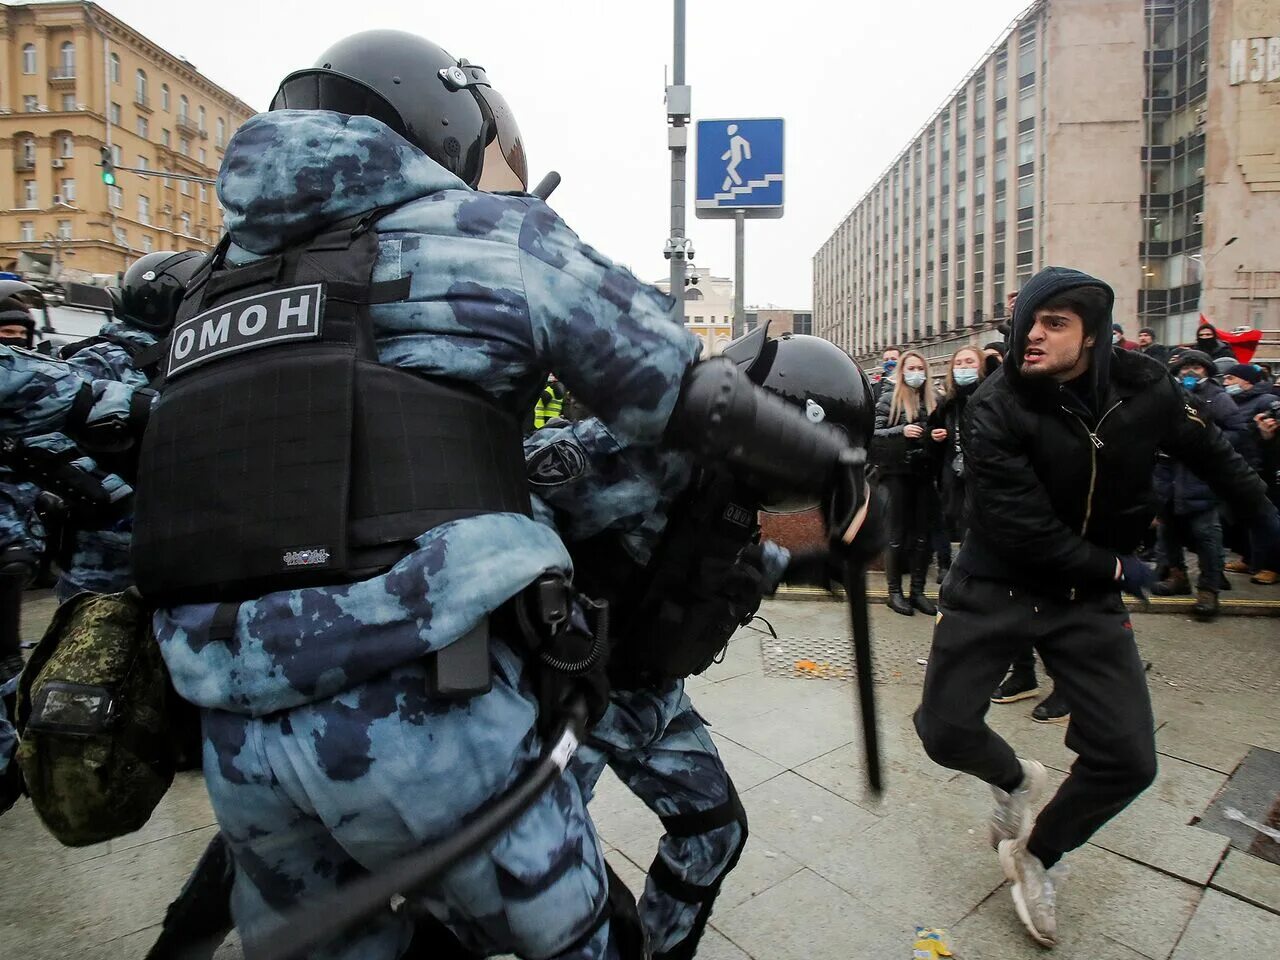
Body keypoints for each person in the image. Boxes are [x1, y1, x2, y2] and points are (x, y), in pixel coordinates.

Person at [125, 30, 870, 960]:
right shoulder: (493, 235)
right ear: (449, 122)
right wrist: (825, 457)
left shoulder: (210, 287)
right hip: (424, 719)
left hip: (230, 731)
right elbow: (682, 391)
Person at [913, 266, 1277, 948]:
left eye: (1054, 324)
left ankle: (1037, 854)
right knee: (942, 730)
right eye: (1027, 322)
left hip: (1088, 599)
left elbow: (1213, 452)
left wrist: (1264, 515)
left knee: (1130, 759)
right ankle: (1016, 778)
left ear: (1091, 336)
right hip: (997, 583)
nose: (1033, 336)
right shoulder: (995, 407)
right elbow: (1023, 528)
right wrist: (1120, 566)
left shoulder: (1146, 389)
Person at [526, 326, 875, 960]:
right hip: (565, 704)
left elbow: (711, 557)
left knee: (713, 835)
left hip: (648, 699)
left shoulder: (731, 483)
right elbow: (513, 488)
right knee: (537, 879)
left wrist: (810, 564)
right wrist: (549, 609)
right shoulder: (650, 454)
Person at [1151, 351, 1256, 618]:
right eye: (1185, 366)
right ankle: (1177, 577)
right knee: (1169, 533)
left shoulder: (1217, 397)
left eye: (1196, 366)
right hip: (1168, 478)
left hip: (1199, 477)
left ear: (1207, 370)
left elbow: (1238, 431)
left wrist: (1203, 442)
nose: (1190, 371)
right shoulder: (1168, 394)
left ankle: (1209, 589)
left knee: (1206, 534)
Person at [873, 349, 940, 616]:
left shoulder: (933, 402)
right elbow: (874, 435)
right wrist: (901, 431)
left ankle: (918, 591)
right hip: (895, 474)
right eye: (910, 369)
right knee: (896, 535)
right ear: (902, 373)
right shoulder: (889, 399)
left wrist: (937, 437)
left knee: (923, 536)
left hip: (924, 474)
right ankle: (894, 592)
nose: (916, 374)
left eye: (919, 368)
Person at [928, 346, 985, 582]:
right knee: (946, 516)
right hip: (950, 469)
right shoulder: (947, 402)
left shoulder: (990, 397)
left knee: (972, 521)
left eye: (969, 362)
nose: (963, 367)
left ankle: (968, 564)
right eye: (959, 363)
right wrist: (933, 435)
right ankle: (944, 564)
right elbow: (931, 430)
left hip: (980, 470)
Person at [1222, 363, 1280, 585]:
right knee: (1242, 518)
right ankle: (1250, 558)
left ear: (1246, 381)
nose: (1226, 383)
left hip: (1261, 468)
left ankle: (1273, 565)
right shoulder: (1232, 401)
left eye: (1231, 378)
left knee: (1266, 519)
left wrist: (1268, 432)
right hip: (1238, 466)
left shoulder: (1265, 400)